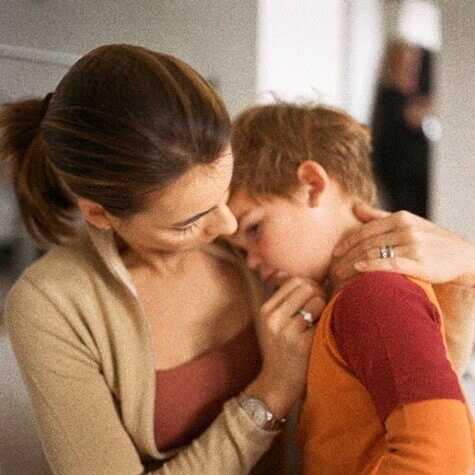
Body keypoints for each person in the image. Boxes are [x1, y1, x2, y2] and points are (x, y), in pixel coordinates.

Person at [0, 44, 473, 474]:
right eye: (190, 221)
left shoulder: (284, 249)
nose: (226, 228)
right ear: (101, 214)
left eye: (226, 193)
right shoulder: (52, 305)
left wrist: (466, 265)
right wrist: (271, 393)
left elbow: (417, 386)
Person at [228, 102, 475, 473]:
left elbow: (442, 460)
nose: (250, 261)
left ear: (312, 185)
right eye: (240, 249)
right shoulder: (345, 299)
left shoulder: (375, 296)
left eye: (254, 229)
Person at [371, 39, 433, 218]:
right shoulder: (389, 95)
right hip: (397, 173)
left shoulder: (415, 90)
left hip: (415, 173)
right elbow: (412, 115)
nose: (411, 66)